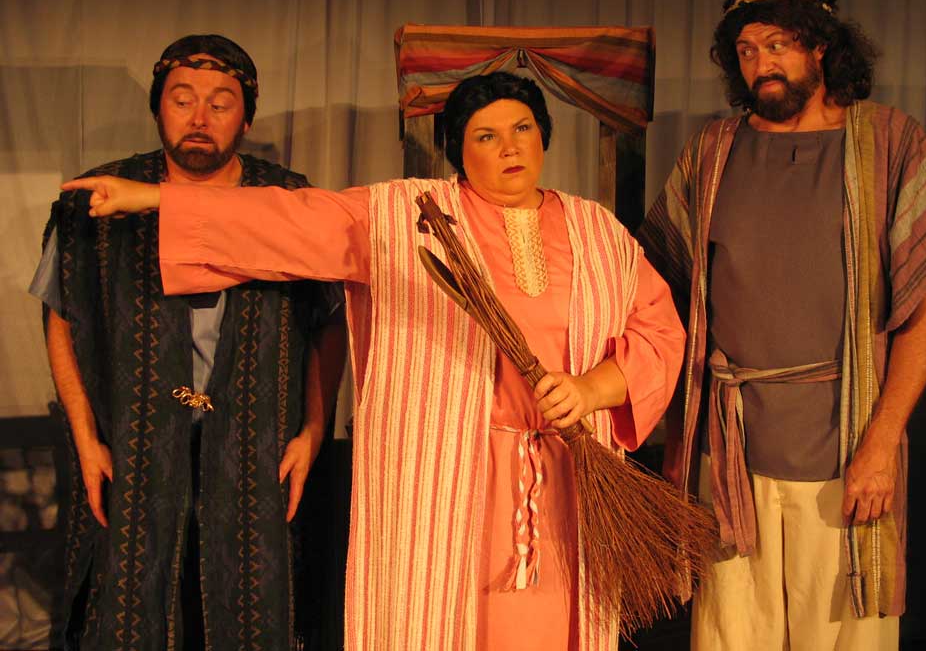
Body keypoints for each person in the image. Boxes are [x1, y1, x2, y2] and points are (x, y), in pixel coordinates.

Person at [62, 71, 687, 651]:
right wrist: (157, 198)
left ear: (543, 135)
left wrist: (591, 390)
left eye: (522, 127)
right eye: (486, 135)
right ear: (457, 151)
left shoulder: (597, 231)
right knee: (444, 622)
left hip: (570, 481)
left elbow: (658, 331)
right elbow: (289, 220)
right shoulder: (406, 218)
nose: (509, 147)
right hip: (449, 479)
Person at [637, 0, 926, 650]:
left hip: (845, 449)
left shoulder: (887, 143)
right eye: (745, 50)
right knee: (732, 637)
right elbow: (652, 286)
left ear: (820, 46)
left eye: (778, 44)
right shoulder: (712, 152)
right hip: (730, 454)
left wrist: (881, 444)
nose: (760, 64)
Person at [32, 34, 346, 651]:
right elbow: (62, 316)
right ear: (158, 108)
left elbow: (327, 322)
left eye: (220, 103)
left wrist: (314, 429)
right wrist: (85, 438)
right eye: (182, 100)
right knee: (133, 599)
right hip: (135, 440)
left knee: (251, 602)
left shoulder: (289, 200)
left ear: (245, 118)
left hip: (255, 443)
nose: (200, 117)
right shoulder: (99, 198)